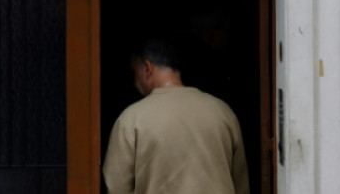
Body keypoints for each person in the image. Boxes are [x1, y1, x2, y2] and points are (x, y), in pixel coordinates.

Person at [102, 37, 250, 194]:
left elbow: (116, 186)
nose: (135, 81)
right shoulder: (223, 112)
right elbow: (241, 185)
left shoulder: (131, 119)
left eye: (135, 72)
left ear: (147, 68)